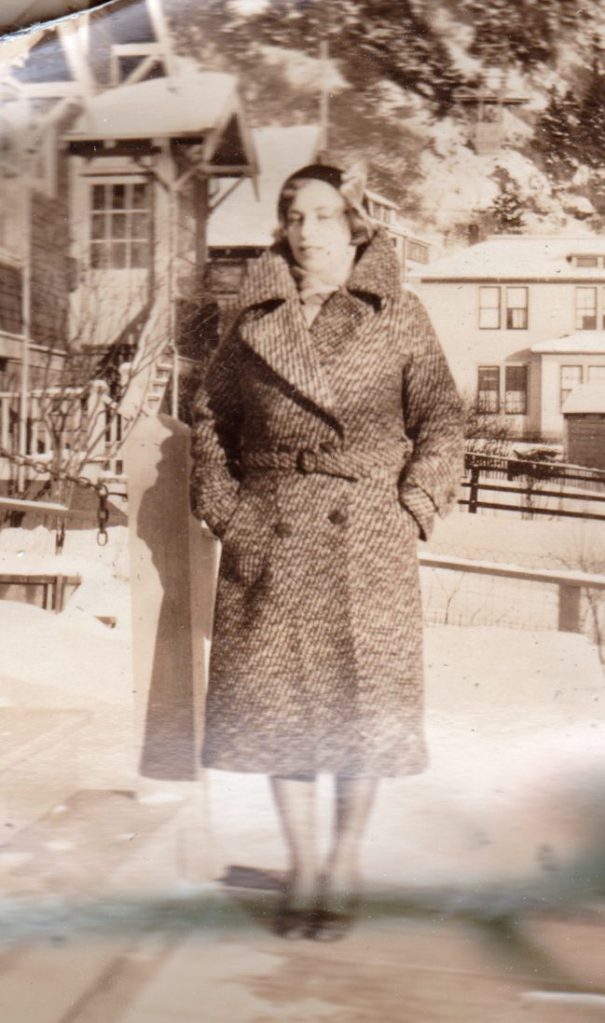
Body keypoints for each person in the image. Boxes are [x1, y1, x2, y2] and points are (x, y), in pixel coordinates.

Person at [190, 163, 464, 940]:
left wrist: (412, 503)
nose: (306, 229)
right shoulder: (250, 322)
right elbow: (208, 421)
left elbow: (442, 417)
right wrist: (228, 511)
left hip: (365, 536)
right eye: (293, 214)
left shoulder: (398, 314)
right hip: (270, 535)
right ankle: (303, 861)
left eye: (321, 214)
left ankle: (342, 859)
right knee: (283, 709)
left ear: (353, 225)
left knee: (357, 709)